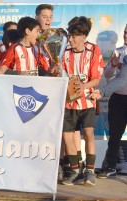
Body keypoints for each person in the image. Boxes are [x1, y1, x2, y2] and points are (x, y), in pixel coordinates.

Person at [61, 16, 101, 186]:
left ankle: (90, 171)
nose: (70, 39)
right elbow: (60, 74)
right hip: (68, 102)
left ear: (84, 36)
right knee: (67, 136)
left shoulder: (93, 50)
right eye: (69, 35)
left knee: (89, 133)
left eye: (74, 36)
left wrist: (82, 87)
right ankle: (76, 170)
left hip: (87, 101)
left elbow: (96, 79)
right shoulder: (64, 52)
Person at [90, 25, 127, 178]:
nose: (126, 35)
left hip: (114, 91)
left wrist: (102, 91)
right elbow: (107, 75)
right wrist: (112, 64)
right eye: (125, 32)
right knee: (115, 135)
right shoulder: (118, 51)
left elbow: (123, 79)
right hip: (118, 98)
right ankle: (110, 167)